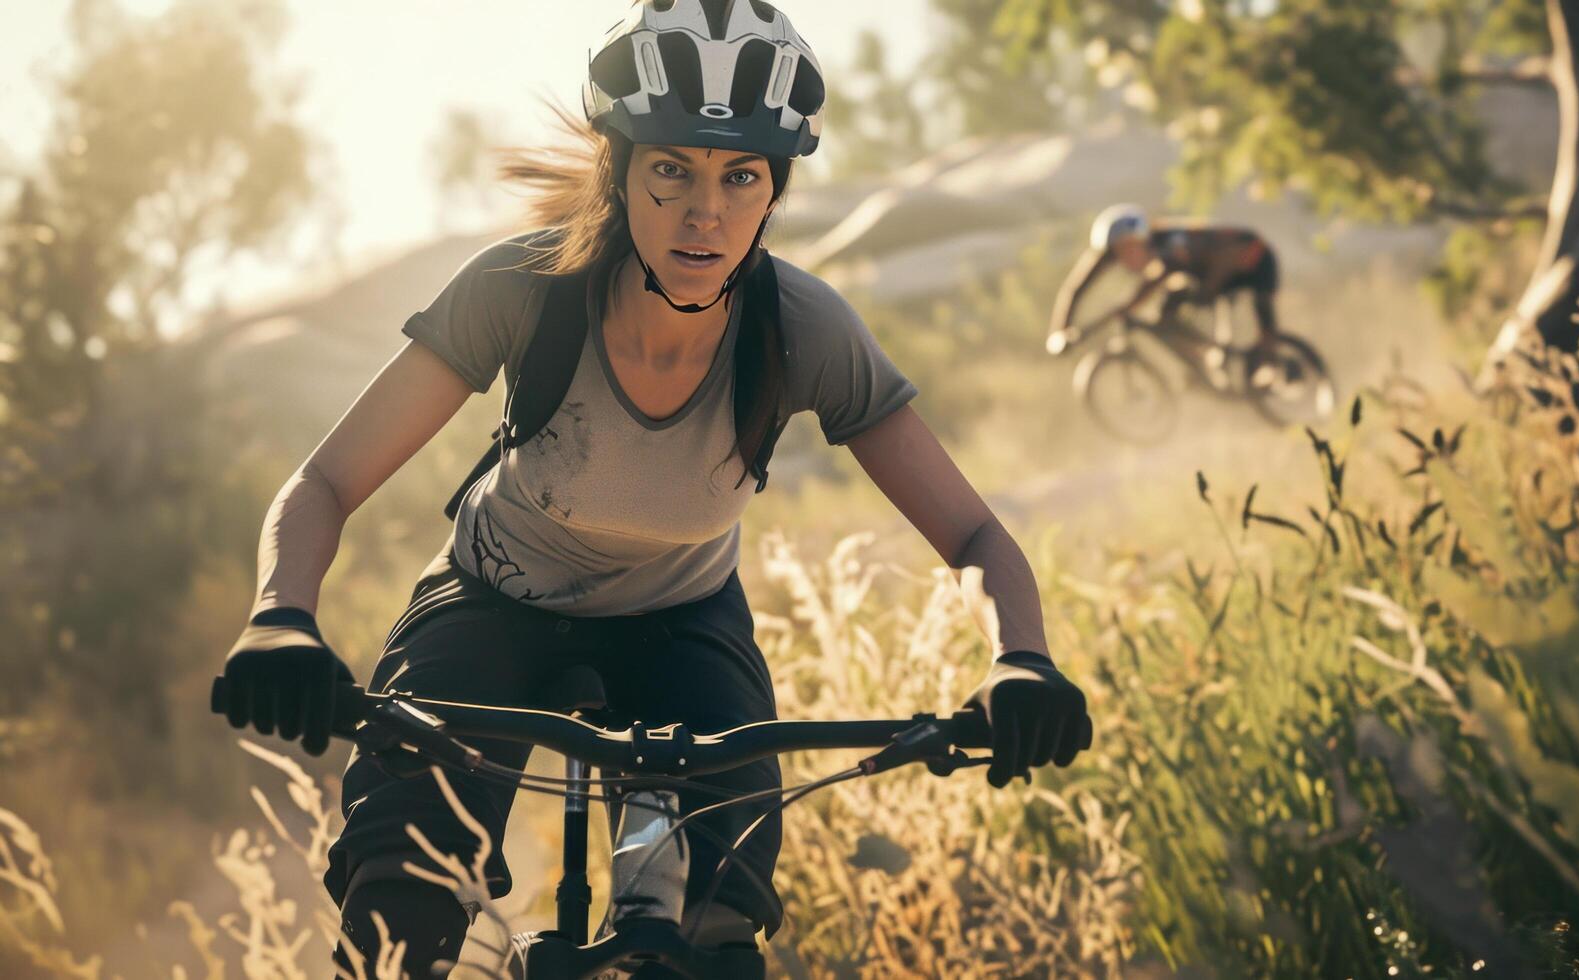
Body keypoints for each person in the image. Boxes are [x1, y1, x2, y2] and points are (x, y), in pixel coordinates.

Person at [211, 2, 1093, 977]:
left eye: (740, 176)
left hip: (680, 624)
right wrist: (281, 617)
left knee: (709, 930)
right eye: (670, 168)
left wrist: (1022, 657)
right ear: (618, 173)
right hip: (491, 604)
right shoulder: (521, 289)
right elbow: (327, 478)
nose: (703, 212)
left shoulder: (803, 330)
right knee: (397, 904)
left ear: (773, 191)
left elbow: (970, 530)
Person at [1046, 203, 1283, 358]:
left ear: (1142, 240)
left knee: (1253, 304)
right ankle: (1202, 360)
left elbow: (1156, 280)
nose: (1126, 258)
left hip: (1253, 259)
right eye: (1119, 252)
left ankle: (1271, 358)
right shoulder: (1108, 252)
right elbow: (1075, 288)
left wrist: (1126, 307)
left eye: (1130, 249)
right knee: (1165, 317)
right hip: (1207, 272)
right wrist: (1060, 329)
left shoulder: (1169, 243)